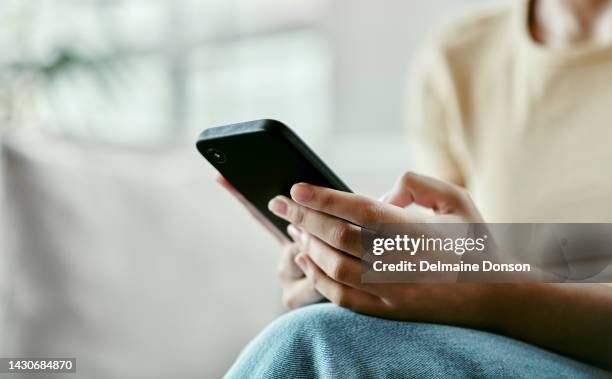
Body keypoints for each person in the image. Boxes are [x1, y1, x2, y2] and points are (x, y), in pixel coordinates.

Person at [222, 0, 612, 377]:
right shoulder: (460, 55)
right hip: (511, 349)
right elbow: (458, 265)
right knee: (326, 327)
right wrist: (349, 275)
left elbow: (479, 285)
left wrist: (493, 291)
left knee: (318, 339)